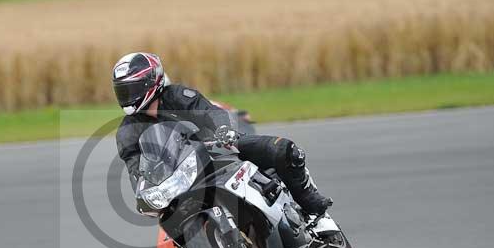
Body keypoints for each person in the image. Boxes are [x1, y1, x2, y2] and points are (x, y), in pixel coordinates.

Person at [113, 52, 332, 215]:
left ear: (151, 82)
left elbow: (211, 112)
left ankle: (307, 198)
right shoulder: (127, 131)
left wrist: (224, 131)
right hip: (180, 176)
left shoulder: (178, 96)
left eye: (131, 89)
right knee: (169, 215)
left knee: (282, 149)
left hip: (217, 148)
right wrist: (143, 193)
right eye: (122, 90)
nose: (127, 96)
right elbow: (136, 170)